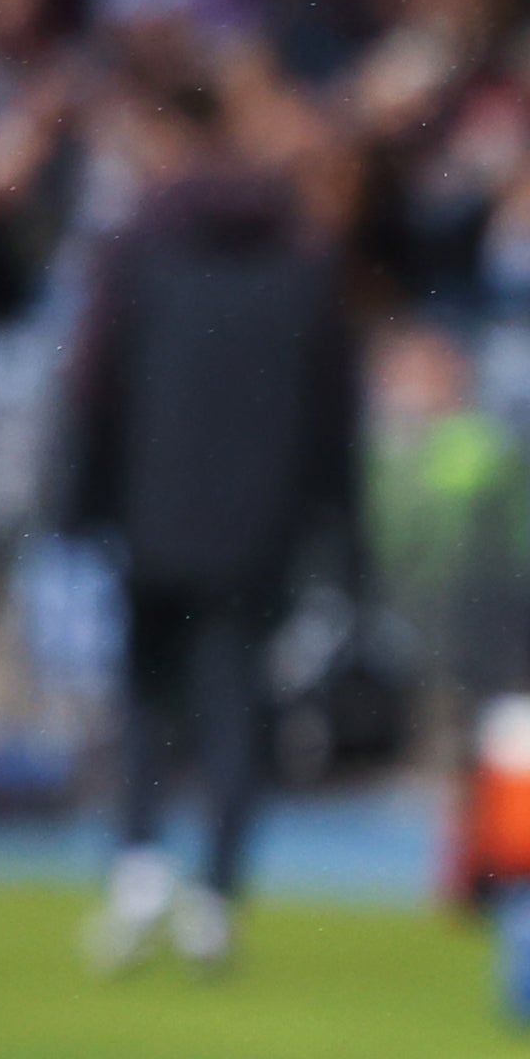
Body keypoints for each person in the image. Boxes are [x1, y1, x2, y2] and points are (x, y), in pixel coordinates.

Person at [61, 72, 361, 975]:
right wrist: (334, 533)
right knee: (236, 701)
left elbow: (95, 389)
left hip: (154, 510)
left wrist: (83, 503)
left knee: (148, 694)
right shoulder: (304, 265)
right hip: (256, 523)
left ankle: (140, 863)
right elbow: (332, 419)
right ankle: (217, 896)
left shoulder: (140, 251)